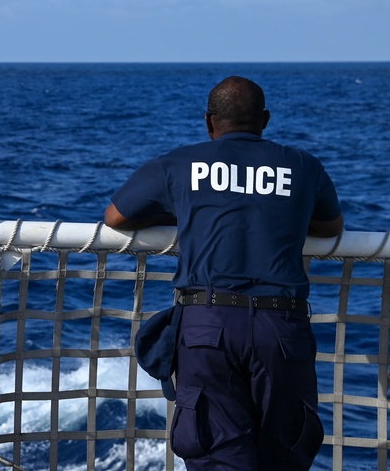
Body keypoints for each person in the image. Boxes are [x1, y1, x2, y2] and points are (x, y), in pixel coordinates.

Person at [104, 75, 343, 471]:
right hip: (281, 327)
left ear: (209, 122)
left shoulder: (179, 163)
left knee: (217, 458)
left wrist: (184, 213)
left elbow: (116, 217)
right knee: (283, 457)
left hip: (207, 326)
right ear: (264, 119)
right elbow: (332, 228)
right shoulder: (303, 166)